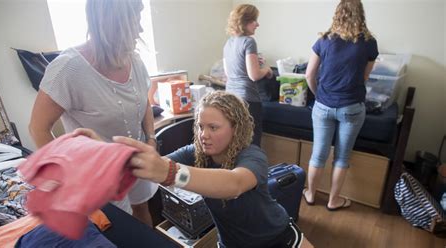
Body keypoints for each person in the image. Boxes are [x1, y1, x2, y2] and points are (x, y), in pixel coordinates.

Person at [75, 91, 304, 247]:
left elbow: (234, 184)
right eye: (201, 126)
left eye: (213, 127)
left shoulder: (252, 155)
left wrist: (171, 172)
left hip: (275, 238)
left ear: (236, 128)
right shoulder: (195, 153)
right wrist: (103, 151)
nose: (204, 135)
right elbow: (147, 165)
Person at [28, 0, 157, 226]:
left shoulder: (134, 59)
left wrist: (151, 139)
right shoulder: (68, 68)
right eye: (135, 20)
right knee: (120, 228)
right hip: (100, 174)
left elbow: (144, 101)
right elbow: (38, 128)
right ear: (113, 22)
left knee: (142, 212)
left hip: (136, 161)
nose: (141, 29)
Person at [303, 0, 379, 211]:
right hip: (352, 106)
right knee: (342, 157)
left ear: (338, 14)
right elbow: (364, 77)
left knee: (318, 154)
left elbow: (309, 74)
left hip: (323, 105)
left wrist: (319, 95)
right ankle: (333, 200)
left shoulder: (324, 40)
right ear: (360, 15)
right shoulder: (369, 42)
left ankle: (310, 194)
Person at [223, 4, 273, 147]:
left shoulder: (228, 43)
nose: (257, 24)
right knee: (252, 143)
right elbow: (254, 75)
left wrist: (255, 62)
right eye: (254, 20)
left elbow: (229, 73)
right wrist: (267, 70)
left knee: (234, 142)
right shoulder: (249, 41)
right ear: (244, 22)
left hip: (230, 99)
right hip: (248, 100)